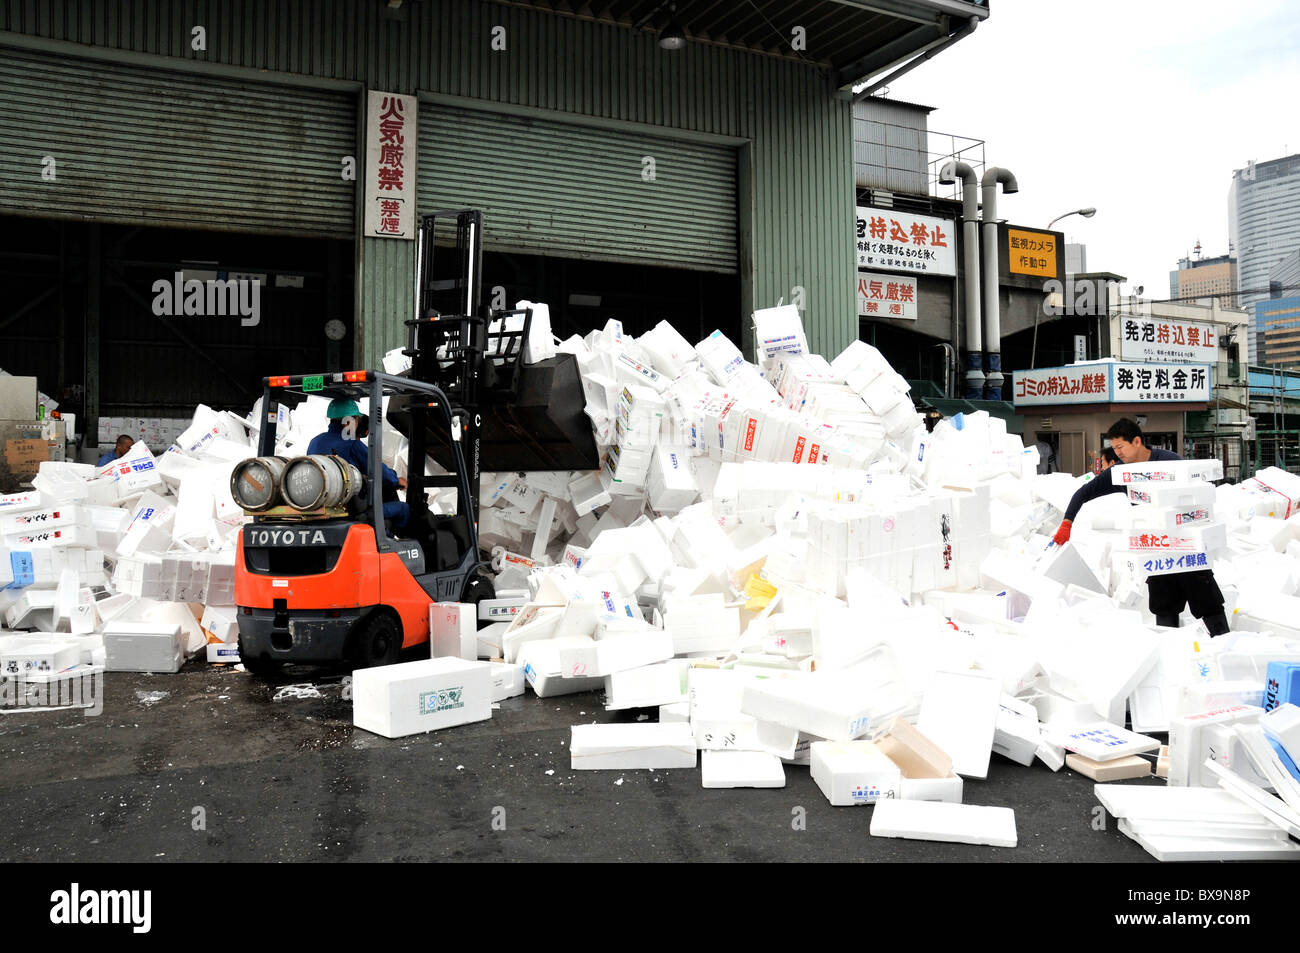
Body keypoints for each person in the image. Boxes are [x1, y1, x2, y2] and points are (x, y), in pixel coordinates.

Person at [1051, 418, 1229, 636]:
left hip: (1186, 544)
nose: (1118, 454)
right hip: (1156, 546)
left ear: (1136, 441)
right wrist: (1067, 523)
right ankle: (1169, 653)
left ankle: (1224, 642)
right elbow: (1083, 493)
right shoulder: (1120, 473)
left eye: (1120, 447)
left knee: (1206, 599)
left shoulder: (1169, 462)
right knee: (1164, 605)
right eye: (1114, 448)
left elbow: (1196, 496)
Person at [307, 398, 409, 531]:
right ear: (348, 422)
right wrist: (396, 480)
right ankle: (390, 542)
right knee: (403, 508)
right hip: (352, 509)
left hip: (321, 503)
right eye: (356, 419)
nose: (357, 423)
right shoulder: (352, 444)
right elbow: (379, 471)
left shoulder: (315, 442)